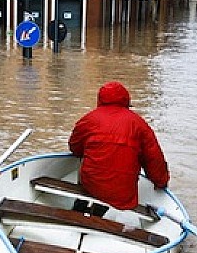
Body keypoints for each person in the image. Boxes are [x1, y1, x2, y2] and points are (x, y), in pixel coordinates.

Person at [68, 81, 169, 211]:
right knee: (112, 192)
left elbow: (75, 148)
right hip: (123, 193)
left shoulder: (89, 119)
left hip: (91, 184)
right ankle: (99, 214)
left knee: (86, 167)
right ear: (126, 100)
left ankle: (80, 208)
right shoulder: (139, 124)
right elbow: (154, 158)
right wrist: (161, 182)